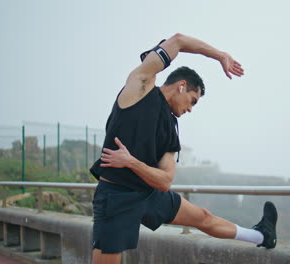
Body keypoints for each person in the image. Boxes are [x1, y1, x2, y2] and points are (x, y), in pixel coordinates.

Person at [90, 33, 278, 264]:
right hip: (116, 195)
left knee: (203, 217)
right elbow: (178, 40)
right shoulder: (140, 86)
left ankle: (262, 235)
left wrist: (131, 162)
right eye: (193, 100)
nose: (191, 109)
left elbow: (164, 181)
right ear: (181, 86)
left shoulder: (170, 128)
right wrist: (220, 56)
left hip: (147, 194)